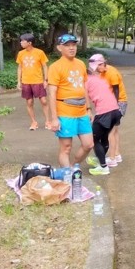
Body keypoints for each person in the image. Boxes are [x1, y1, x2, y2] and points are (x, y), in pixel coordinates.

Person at [46, 34, 94, 169]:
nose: (71, 48)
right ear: (59, 48)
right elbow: (51, 93)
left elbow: (84, 87)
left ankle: (72, 167)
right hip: (65, 111)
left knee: (88, 144)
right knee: (66, 147)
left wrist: (88, 109)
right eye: (67, 45)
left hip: (82, 111)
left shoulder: (80, 64)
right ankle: (68, 175)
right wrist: (54, 118)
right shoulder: (55, 67)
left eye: (73, 45)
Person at [84, 59, 122, 176]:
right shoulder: (99, 79)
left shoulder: (85, 81)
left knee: (94, 139)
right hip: (115, 111)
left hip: (105, 113)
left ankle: (103, 167)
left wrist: (88, 110)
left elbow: (85, 98)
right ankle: (101, 160)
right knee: (104, 136)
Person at [89, 53, 127, 166]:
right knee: (114, 131)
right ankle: (116, 154)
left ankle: (111, 158)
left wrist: (113, 108)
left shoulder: (111, 72)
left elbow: (116, 91)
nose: (96, 70)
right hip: (113, 104)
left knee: (111, 131)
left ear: (102, 64)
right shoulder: (103, 72)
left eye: (97, 67)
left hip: (118, 102)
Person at [16, 33, 50, 130]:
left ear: (29, 43)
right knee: (29, 102)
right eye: (21, 41)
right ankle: (33, 122)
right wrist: (19, 81)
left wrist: (46, 79)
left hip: (38, 81)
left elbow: (44, 66)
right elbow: (19, 68)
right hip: (26, 82)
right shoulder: (20, 53)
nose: (21, 42)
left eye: (23, 41)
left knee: (43, 101)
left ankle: (48, 121)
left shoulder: (39, 52)